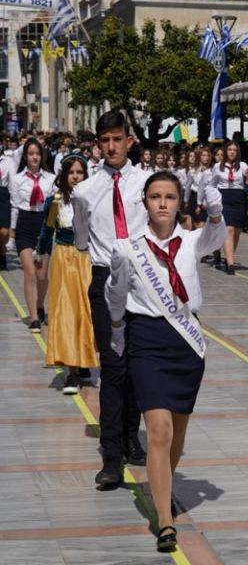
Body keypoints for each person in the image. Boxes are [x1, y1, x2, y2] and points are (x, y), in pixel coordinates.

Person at [105, 171, 226, 553]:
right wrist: (117, 326)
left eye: (170, 197)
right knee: (157, 431)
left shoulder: (191, 242)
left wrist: (217, 209)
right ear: (145, 202)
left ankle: (163, 489)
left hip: (186, 344)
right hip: (147, 340)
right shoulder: (128, 248)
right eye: (155, 196)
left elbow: (217, 236)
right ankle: (165, 520)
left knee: (177, 432)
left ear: (179, 202)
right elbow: (116, 295)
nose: (162, 203)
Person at [72, 110, 150, 488]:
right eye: (104, 141)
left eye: (117, 139)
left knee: (137, 365)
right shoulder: (85, 191)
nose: (111, 147)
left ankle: (132, 434)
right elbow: (82, 241)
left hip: (142, 281)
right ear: (97, 144)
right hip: (106, 282)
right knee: (113, 368)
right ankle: (111, 454)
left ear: (129, 141)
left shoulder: (146, 183)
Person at [37, 154, 98, 395]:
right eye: (71, 172)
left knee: (87, 310)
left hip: (86, 259)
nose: (75, 177)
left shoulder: (91, 200)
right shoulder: (55, 201)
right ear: (63, 175)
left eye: (79, 172)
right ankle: (71, 371)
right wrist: (41, 252)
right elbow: (47, 228)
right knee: (67, 312)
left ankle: (84, 360)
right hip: (63, 259)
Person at [10, 138, 56, 331]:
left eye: (37, 153)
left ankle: (40, 305)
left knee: (42, 274)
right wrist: (12, 234)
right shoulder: (17, 178)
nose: (34, 157)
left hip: (44, 224)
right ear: (25, 156)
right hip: (24, 224)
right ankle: (34, 317)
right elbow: (14, 206)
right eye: (31, 154)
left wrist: (52, 227)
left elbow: (55, 205)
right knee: (29, 272)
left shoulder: (50, 178)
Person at [210, 140, 248, 275]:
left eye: (234, 150)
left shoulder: (242, 165)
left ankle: (229, 257)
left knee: (237, 231)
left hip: (238, 197)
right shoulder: (217, 166)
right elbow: (213, 184)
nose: (232, 152)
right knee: (229, 229)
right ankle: (231, 263)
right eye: (230, 150)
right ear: (226, 151)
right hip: (224, 197)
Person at [0, 145, 12, 270]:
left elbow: (13, 180)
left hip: (3, 193)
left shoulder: (8, 161)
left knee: (4, 232)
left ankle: (2, 252)